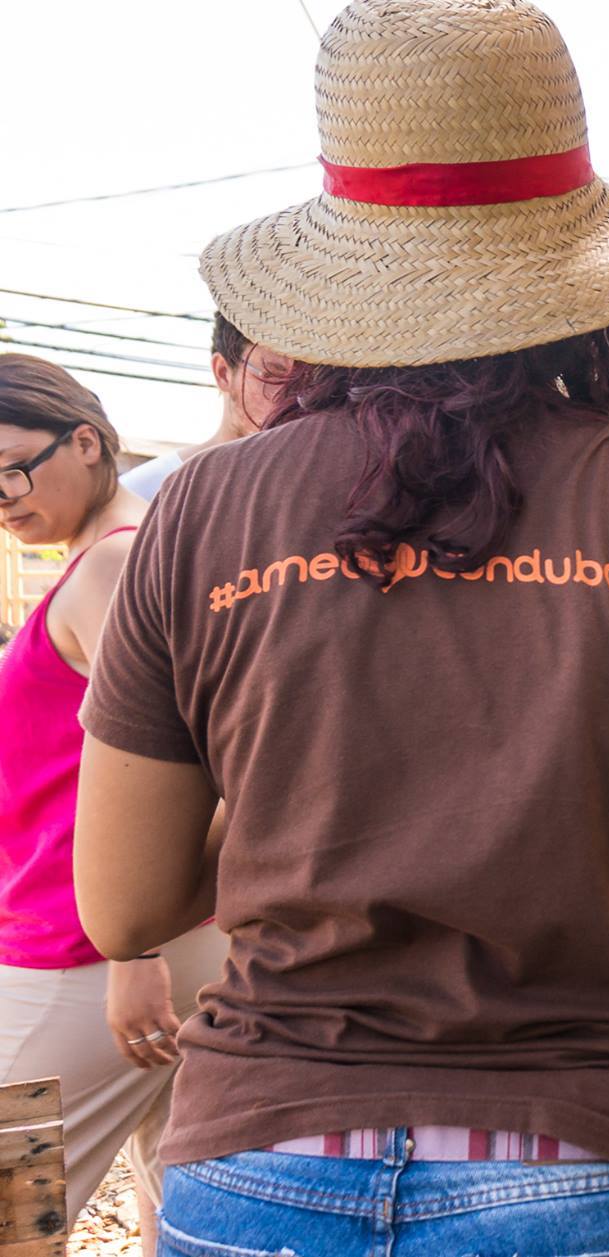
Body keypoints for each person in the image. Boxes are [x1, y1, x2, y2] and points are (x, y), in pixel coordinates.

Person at [69, 3, 609, 1255]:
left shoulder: (203, 510)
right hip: (597, 1164)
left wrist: (313, 804)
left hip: (264, 1162)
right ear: (592, 278)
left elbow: (121, 908)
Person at [0, 354, 226, 1251]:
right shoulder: (125, 554)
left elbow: (193, 759)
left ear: (86, 441)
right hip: (123, 949)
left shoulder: (115, 565)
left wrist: (137, 946)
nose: (2, 495)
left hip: (84, 956)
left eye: (13, 466)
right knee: (181, 1205)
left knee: (14, 1214)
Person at [119, 316, 293, 499]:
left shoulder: (306, 490)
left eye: (306, 383)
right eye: (273, 376)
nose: (294, 397)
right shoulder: (144, 491)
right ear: (223, 373)